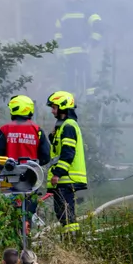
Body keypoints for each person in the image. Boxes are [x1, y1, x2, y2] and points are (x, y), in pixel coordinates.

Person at [46, 90, 87, 236]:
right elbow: (57, 152)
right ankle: (70, 241)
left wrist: (57, 173)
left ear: (63, 107)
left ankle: (73, 242)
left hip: (66, 178)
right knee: (63, 213)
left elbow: (68, 153)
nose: (52, 111)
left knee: (66, 213)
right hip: (65, 179)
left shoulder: (68, 126)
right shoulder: (63, 126)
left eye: (54, 107)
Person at [53, 0, 102, 97]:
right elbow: (57, 32)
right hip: (67, 55)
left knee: (87, 82)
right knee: (69, 85)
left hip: (82, 53)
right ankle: (73, 109)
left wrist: (91, 42)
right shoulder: (63, 12)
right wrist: (59, 47)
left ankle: (91, 106)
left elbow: (99, 27)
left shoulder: (86, 10)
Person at [0, 95, 52, 170]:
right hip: (30, 176)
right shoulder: (37, 130)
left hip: (9, 174)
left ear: (14, 109)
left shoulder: (6, 129)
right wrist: (34, 164)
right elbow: (46, 156)